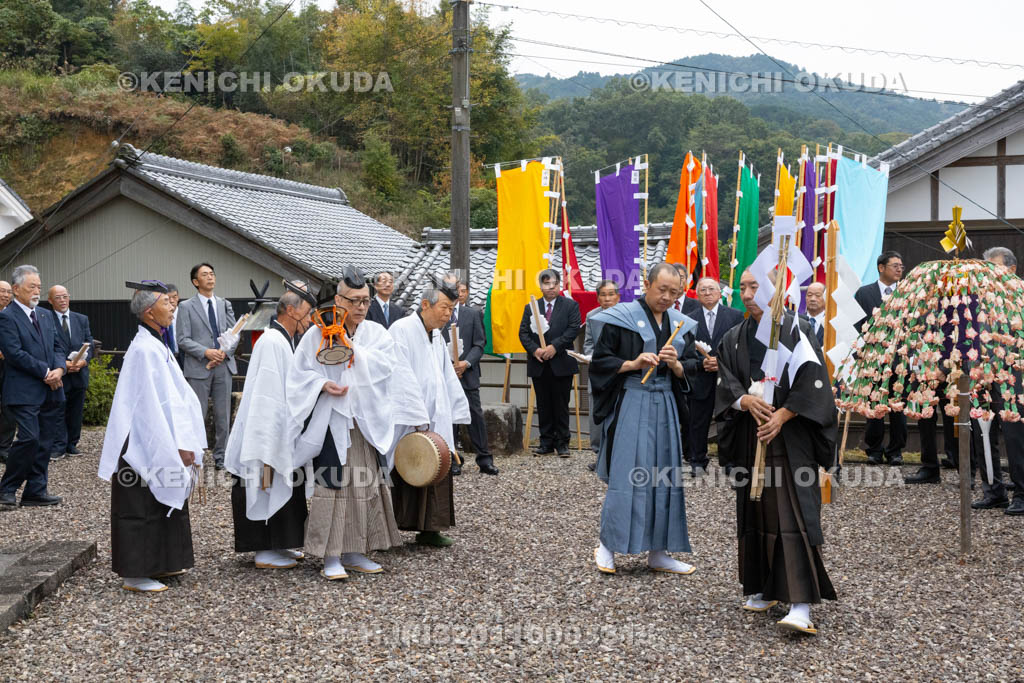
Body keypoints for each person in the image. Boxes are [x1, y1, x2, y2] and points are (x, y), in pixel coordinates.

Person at [714, 270, 837, 635]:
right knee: (755, 510)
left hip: (788, 437)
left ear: (775, 291)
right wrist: (743, 399)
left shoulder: (797, 329)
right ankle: (763, 587)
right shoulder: (734, 335)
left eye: (756, 287)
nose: (748, 294)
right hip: (751, 435)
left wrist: (783, 414)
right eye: (744, 287)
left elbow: (814, 381)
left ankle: (800, 603)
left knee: (792, 513)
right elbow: (725, 381)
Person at [287, 268, 406, 579]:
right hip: (332, 419)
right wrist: (322, 386)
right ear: (338, 300)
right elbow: (298, 375)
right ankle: (330, 557)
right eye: (354, 301)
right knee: (333, 486)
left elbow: (385, 368)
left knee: (365, 485)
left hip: (363, 420)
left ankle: (356, 551)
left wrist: (354, 350)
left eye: (365, 301)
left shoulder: (377, 333)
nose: (361, 307)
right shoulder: (317, 333)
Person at [588, 262, 699, 576]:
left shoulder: (680, 323)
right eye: (661, 289)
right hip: (633, 400)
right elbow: (601, 361)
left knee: (664, 474)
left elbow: (690, 367)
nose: (666, 297)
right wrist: (632, 363)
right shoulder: (621, 318)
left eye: (673, 293)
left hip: (665, 402)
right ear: (647, 285)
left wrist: (677, 366)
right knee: (628, 473)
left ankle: (659, 551)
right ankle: (607, 545)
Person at [99, 281, 206, 592]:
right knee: (140, 505)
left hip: (157, 433)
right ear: (149, 312)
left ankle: (162, 562)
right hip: (144, 439)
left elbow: (173, 398)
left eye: (172, 302)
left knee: (158, 501)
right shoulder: (145, 349)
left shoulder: (156, 343)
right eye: (166, 303)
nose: (172, 307)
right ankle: (136, 573)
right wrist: (176, 445)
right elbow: (150, 407)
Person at [225, 282, 314, 570]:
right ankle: (263, 549)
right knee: (264, 482)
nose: (310, 320)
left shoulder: (283, 339)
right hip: (266, 431)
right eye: (308, 313)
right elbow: (266, 396)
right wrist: (267, 441)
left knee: (286, 485)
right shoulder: (272, 341)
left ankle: (280, 544)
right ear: (291, 310)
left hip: (281, 428)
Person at [388, 277, 471, 547]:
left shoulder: (436, 335)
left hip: (435, 414)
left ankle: (430, 529)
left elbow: (445, 374)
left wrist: (453, 407)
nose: (448, 314)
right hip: (408, 416)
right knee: (405, 465)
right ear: (425, 304)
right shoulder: (401, 329)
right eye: (444, 308)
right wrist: (416, 413)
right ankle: (390, 528)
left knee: (436, 465)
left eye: (451, 309)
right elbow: (400, 374)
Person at [963, 246, 1023, 514]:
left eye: (993, 268)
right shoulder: (980, 299)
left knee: (1015, 434)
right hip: (983, 372)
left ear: (1010, 270)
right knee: (983, 432)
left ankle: (1021, 492)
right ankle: (993, 490)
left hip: (1015, 372)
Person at [0, 265, 65, 508]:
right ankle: (7, 489)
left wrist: (60, 369)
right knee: (29, 438)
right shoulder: (6, 317)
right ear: (16, 290)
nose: (37, 291)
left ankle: (35, 490)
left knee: (45, 440)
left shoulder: (46, 315)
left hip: (51, 388)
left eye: (39, 286)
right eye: (32, 287)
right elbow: (14, 353)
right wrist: (45, 371)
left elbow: (58, 347)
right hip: (24, 390)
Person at [176, 263, 237, 470]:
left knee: (223, 416)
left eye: (212, 273)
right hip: (198, 367)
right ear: (196, 282)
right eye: (205, 275)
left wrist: (223, 353)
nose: (210, 277)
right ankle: (195, 457)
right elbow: (182, 339)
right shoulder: (185, 307)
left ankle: (222, 458)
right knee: (196, 414)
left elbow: (234, 332)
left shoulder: (224, 304)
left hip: (223, 366)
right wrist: (206, 352)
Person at [518, 269, 581, 457]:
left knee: (561, 404)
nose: (551, 287)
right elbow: (523, 333)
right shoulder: (531, 307)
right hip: (539, 363)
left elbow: (573, 329)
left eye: (554, 284)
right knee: (543, 403)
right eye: (546, 284)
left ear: (559, 284)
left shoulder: (570, 306)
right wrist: (535, 350)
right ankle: (545, 442)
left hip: (561, 361)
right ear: (541, 285)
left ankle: (562, 443)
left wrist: (554, 347)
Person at [854, 251, 906, 465]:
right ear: (881, 267)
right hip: (872, 358)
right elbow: (857, 324)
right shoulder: (864, 293)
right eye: (895, 265)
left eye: (901, 266)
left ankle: (895, 451)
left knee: (897, 407)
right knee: (874, 405)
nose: (899, 269)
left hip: (899, 358)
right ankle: (874, 449)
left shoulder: (907, 293)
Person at [687, 277, 743, 476]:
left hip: (727, 378)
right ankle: (697, 460)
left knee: (728, 420)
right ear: (697, 294)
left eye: (712, 289)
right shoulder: (689, 319)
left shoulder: (736, 316)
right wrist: (701, 363)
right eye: (703, 290)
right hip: (700, 377)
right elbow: (685, 351)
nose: (708, 293)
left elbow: (739, 347)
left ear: (720, 293)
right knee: (698, 420)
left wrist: (720, 363)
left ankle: (729, 461)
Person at [442, 280, 498, 476]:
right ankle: (453, 458)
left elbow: (479, 343)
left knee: (475, 415)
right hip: (446, 373)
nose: (458, 293)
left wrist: (466, 364)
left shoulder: (473, 314)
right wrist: (449, 367)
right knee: (450, 418)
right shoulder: (441, 314)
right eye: (454, 290)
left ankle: (484, 458)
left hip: (469, 373)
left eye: (461, 290)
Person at [47, 285, 93, 460]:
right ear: (50, 300)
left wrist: (83, 362)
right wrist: (63, 364)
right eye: (57, 297)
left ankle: (72, 443)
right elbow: (46, 346)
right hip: (60, 373)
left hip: (79, 373)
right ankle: (58, 446)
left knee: (76, 410)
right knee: (58, 409)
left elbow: (89, 342)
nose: (62, 300)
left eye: (65, 296)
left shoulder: (81, 319)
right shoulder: (46, 319)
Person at [584, 280, 620, 471]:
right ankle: (599, 454)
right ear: (598, 298)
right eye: (603, 295)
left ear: (618, 296)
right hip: (598, 371)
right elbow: (588, 343)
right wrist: (589, 357)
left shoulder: (627, 315)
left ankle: (617, 454)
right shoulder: (592, 316)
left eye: (611, 294)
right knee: (596, 411)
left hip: (621, 370)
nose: (607, 299)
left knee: (618, 411)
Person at [0, 279, 15, 463]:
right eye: (2, 291)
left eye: (8, 292)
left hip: (10, 367)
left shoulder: (13, 315)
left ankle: (4, 447)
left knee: (9, 408)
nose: (5, 295)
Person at [165, 283, 180, 355]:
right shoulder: (160, 318)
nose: (171, 301)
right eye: (168, 298)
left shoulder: (185, 315)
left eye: (174, 297)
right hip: (167, 356)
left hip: (184, 357)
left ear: (178, 297)